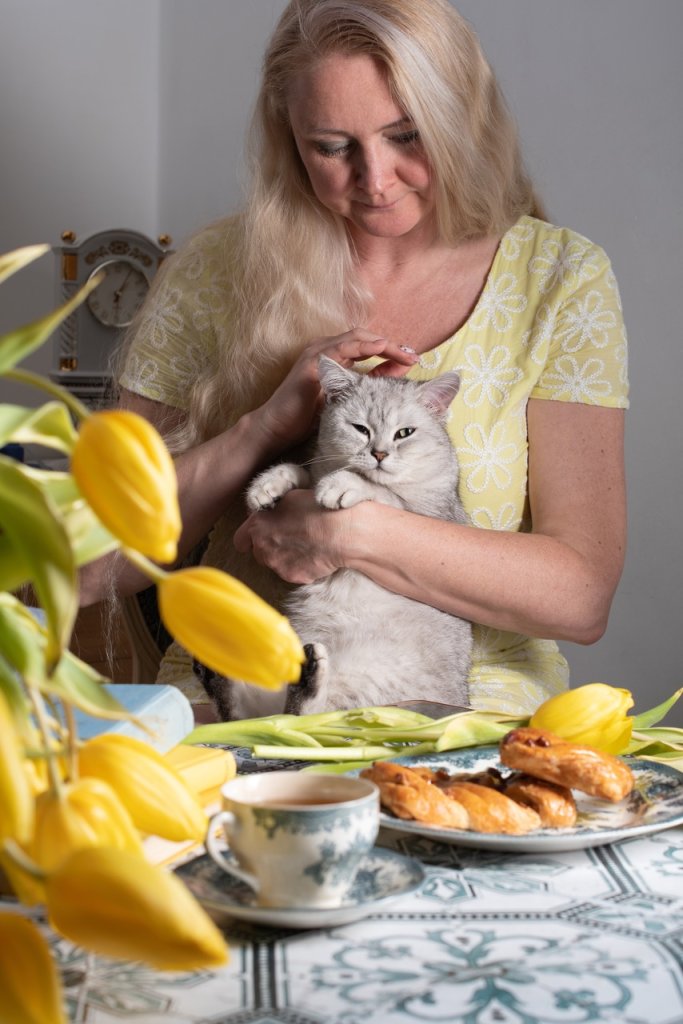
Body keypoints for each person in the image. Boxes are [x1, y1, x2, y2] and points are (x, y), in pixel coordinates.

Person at [80, 0, 628, 721]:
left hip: (463, 713)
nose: (375, 179)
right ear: (289, 139)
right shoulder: (214, 272)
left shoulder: (558, 277)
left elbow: (580, 597)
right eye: (332, 147)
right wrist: (260, 432)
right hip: (235, 706)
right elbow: (89, 569)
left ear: (460, 114)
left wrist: (353, 532)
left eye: (406, 135)